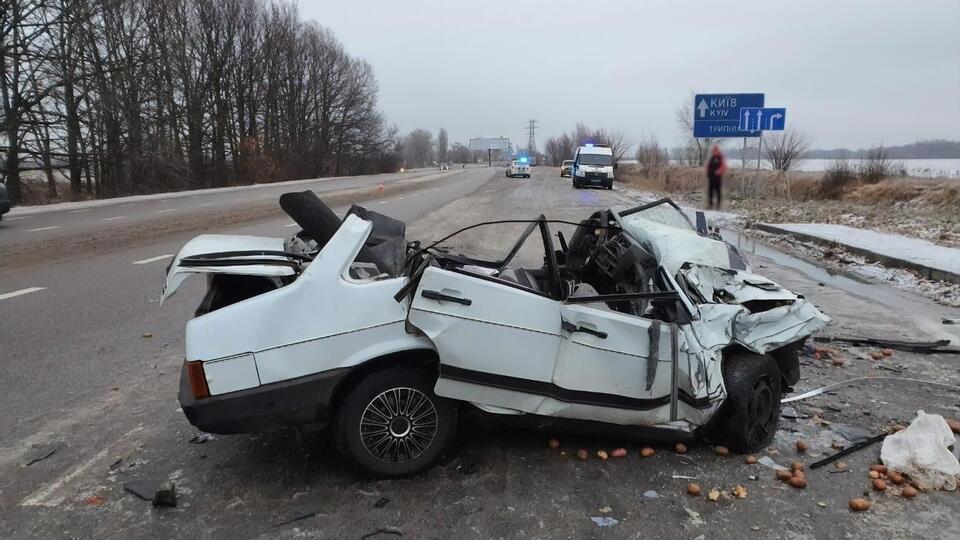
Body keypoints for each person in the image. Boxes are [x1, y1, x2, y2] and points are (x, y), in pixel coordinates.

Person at [705, 145, 727, 210]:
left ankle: (718, 205)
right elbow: (708, 166)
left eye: (715, 151)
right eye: (713, 151)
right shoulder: (712, 158)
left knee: (718, 191)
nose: (714, 152)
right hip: (711, 177)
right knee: (710, 191)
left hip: (717, 178)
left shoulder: (720, 158)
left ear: (718, 151)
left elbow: (723, 166)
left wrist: (719, 171)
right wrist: (707, 173)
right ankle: (710, 204)